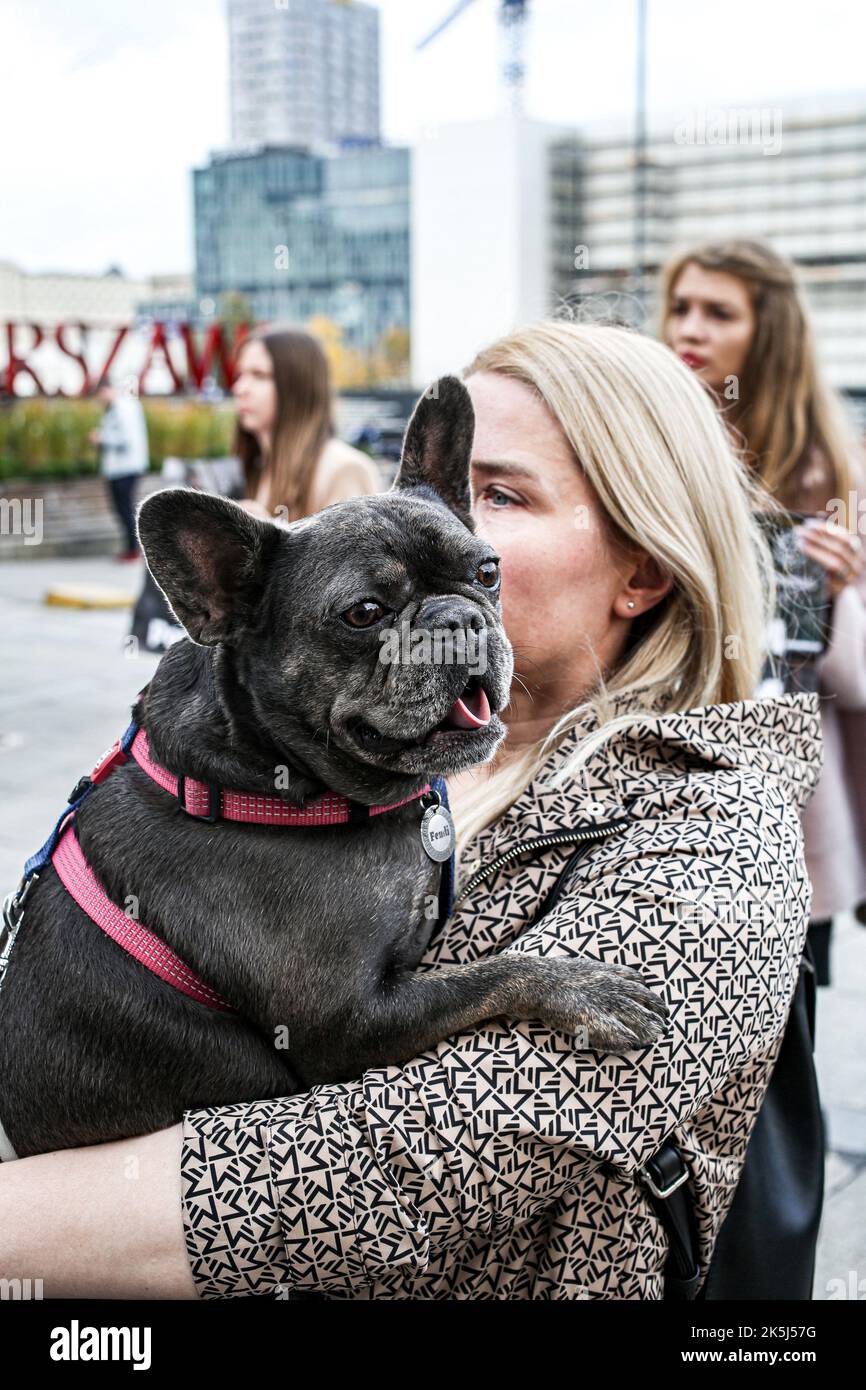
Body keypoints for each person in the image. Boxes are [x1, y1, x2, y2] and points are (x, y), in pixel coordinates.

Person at [0, 321, 822, 1300]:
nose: (446, 599)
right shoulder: (328, 760)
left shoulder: (715, 836)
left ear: (642, 567)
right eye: (367, 613)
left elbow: (395, 1172)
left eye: (492, 509)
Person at [660, 238, 866, 986]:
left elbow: (854, 681)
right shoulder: (651, 446)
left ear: (768, 333)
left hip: (791, 807)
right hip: (667, 787)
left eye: (718, 313)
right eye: (681, 308)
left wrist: (841, 596)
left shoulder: (831, 471)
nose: (689, 329)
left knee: (784, 1052)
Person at [231, 325, 381, 522]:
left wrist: (267, 542)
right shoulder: (258, 467)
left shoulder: (344, 470)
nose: (240, 388)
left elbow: (350, 553)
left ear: (298, 386)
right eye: (240, 375)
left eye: (259, 375)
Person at [89, 378, 149, 561]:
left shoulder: (123, 408)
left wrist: (101, 439)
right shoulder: (116, 408)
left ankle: (133, 550)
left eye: (99, 396)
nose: (99, 401)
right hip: (120, 468)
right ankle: (131, 548)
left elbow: (126, 439)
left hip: (126, 467)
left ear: (105, 391)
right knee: (122, 508)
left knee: (124, 509)